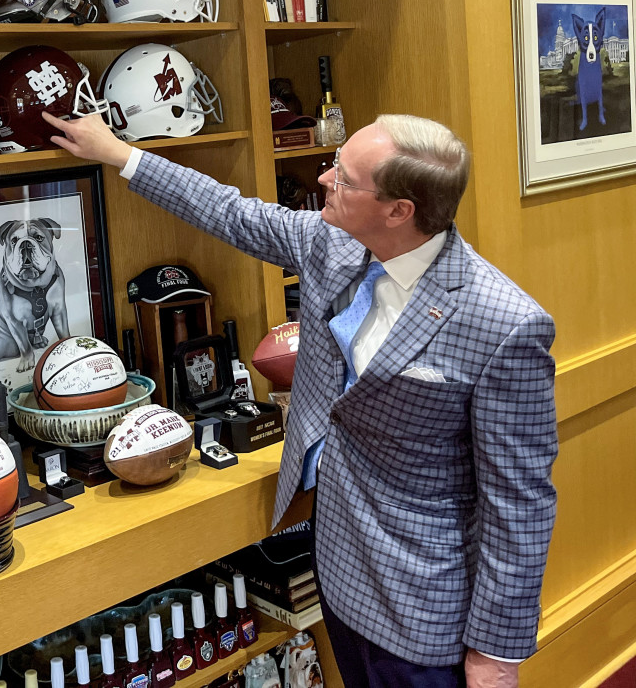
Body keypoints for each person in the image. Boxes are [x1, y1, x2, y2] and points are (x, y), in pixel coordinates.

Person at [43, 111, 558, 688]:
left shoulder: (505, 324)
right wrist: (118, 153)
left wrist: (495, 653)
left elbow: (519, 504)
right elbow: (228, 211)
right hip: (336, 567)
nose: (323, 178)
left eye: (343, 176)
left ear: (399, 211)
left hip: (426, 609)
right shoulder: (331, 244)